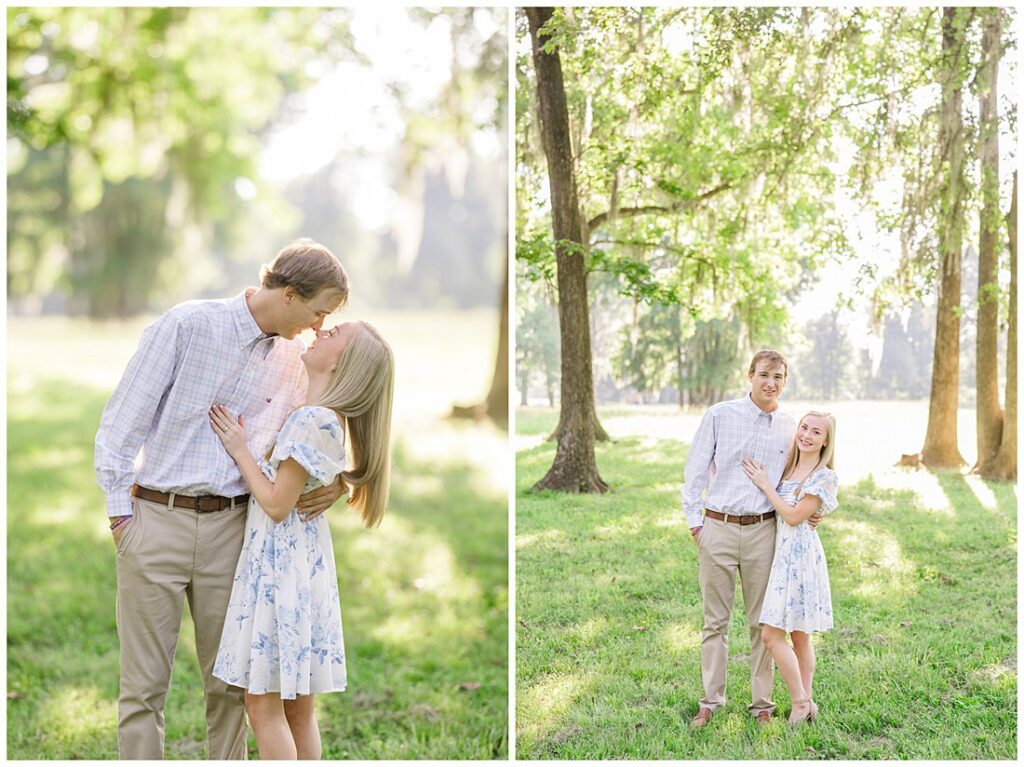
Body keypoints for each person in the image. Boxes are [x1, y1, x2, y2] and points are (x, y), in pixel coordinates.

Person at [95, 239, 349, 759]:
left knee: (231, 688)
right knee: (143, 689)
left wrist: (342, 480)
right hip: (154, 521)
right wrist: (122, 517)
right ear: (290, 294)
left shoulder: (295, 357)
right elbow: (120, 427)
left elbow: (320, 426)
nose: (319, 326)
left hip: (235, 532)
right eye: (318, 312)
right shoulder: (187, 326)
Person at [208, 320, 393, 759]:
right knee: (296, 708)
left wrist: (240, 449)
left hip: (281, 570)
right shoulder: (321, 417)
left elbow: (277, 504)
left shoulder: (312, 420)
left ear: (341, 364)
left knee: (262, 705)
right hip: (299, 566)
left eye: (334, 334)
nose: (321, 332)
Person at [683, 350, 822, 728]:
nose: (770, 383)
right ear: (750, 375)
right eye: (764, 375)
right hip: (718, 527)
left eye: (778, 377)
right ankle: (711, 701)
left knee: (764, 623)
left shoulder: (790, 427)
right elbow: (694, 473)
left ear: (785, 381)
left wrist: (815, 508)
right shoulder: (720, 415)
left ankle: (762, 705)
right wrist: (697, 525)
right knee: (715, 622)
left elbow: (803, 473)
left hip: (764, 531)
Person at [742, 411, 838, 725]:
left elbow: (795, 517)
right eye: (804, 427)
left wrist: (765, 485)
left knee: (774, 635)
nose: (807, 435)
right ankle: (807, 703)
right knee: (797, 635)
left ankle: (799, 701)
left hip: (800, 559)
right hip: (781, 555)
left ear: (826, 441)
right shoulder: (788, 466)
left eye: (816, 432)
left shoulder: (824, 476)